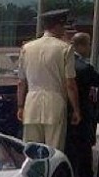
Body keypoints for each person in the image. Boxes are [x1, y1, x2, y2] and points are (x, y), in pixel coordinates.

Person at [17, 9, 80, 151]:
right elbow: (70, 84)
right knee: (54, 150)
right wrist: (76, 109)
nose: (64, 29)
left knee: (31, 150)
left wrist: (20, 106)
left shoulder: (26, 48)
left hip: (31, 102)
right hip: (55, 102)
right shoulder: (65, 48)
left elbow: (21, 82)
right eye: (63, 25)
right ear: (58, 26)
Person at [63, 32, 99, 177]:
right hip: (81, 110)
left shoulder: (64, 62)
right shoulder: (84, 68)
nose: (90, 47)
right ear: (81, 45)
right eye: (88, 44)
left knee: (68, 144)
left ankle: (72, 173)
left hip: (64, 110)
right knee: (84, 146)